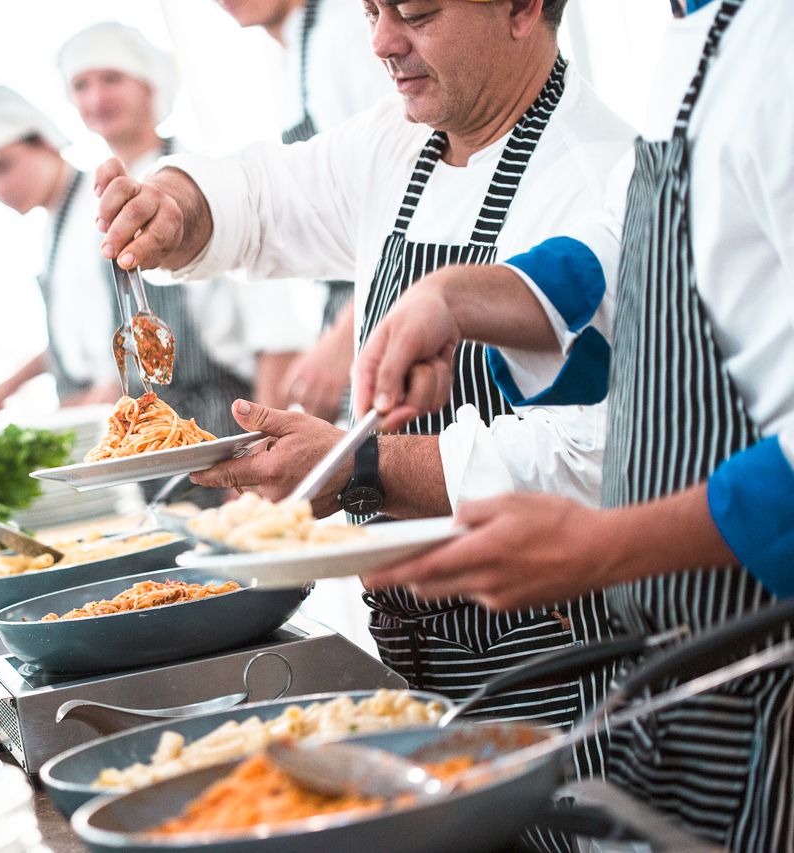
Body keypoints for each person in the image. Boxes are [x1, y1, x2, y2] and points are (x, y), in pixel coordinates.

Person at [94, 0, 633, 773]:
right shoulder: (398, 141)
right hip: (416, 655)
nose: (381, 41)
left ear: (520, 7)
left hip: (561, 663)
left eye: (416, 12)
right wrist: (175, 206)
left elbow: (599, 462)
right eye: (372, 9)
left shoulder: (601, 178)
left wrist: (363, 466)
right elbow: (263, 193)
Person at [354, 1, 793, 848]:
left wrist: (607, 546)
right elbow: (621, 242)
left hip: (765, 661)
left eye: (414, 11)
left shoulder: (778, 45)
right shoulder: (696, 33)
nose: (381, 38)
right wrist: (454, 298)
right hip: (694, 669)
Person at [57, 21, 316, 432]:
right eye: (81, 85)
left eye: (112, 79)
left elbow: (275, 332)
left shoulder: (206, 183)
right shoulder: (79, 215)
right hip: (139, 433)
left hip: (223, 422)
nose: (96, 97)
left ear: (150, 85)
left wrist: (263, 441)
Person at [215, 0, 394, 421]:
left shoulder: (349, 34)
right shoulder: (294, 56)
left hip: (393, 304)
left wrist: (344, 339)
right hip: (358, 309)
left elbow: (417, 193)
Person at [0, 86, 123, 417]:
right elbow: (71, 337)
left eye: (2, 166)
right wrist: (7, 386)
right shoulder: (54, 227)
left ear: (45, 142)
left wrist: (106, 393)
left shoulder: (101, 204)